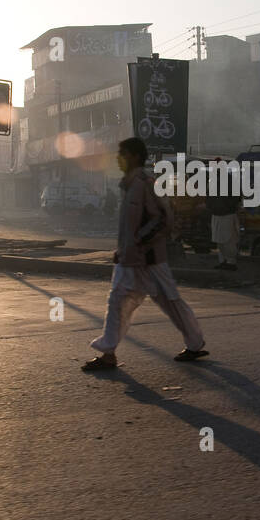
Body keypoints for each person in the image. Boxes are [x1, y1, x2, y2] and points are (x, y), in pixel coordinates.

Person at [82, 137, 208, 371]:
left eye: (124, 154)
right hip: (130, 259)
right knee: (117, 301)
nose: (119, 159)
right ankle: (108, 352)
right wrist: (124, 249)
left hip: (148, 259)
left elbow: (163, 217)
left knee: (170, 301)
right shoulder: (129, 185)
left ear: (136, 157)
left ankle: (194, 343)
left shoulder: (145, 182)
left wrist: (140, 242)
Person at [205, 160, 242, 271]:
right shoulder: (213, 180)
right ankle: (223, 261)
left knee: (228, 240)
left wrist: (225, 205)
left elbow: (236, 197)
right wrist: (212, 206)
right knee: (219, 240)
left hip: (227, 214)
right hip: (217, 214)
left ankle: (231, 262)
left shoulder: (230, 180)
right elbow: (208, 197)